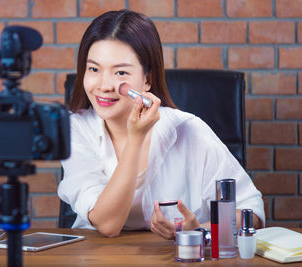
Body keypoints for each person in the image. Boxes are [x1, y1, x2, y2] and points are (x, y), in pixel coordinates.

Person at [57, 9, 264, 238]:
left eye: (121, 72)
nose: (104, 85)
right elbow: (107, 225)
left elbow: (251, 212)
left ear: (147, 80)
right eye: (94, 69)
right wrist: (136, 139)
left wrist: (198, 232)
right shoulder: (75, 129)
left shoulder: (189, 129)